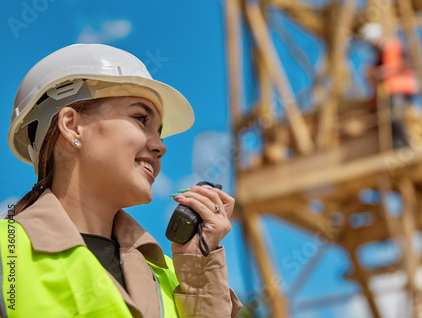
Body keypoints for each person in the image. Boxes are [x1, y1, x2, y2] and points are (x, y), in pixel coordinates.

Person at [1, 44, 243, 317]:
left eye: (160, 133)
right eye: (140, 119)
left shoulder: (175, 274)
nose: (161, 147)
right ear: (71, 125)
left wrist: (200, 276)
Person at [360, 22, 420, 148]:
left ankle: (405, 147)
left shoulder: (395, 46)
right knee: (389, 120)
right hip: (390, 91)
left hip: (401, 88)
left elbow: (410, 63)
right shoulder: (379, 56)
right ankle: (396, 147)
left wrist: (383, 72)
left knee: (396, 117)